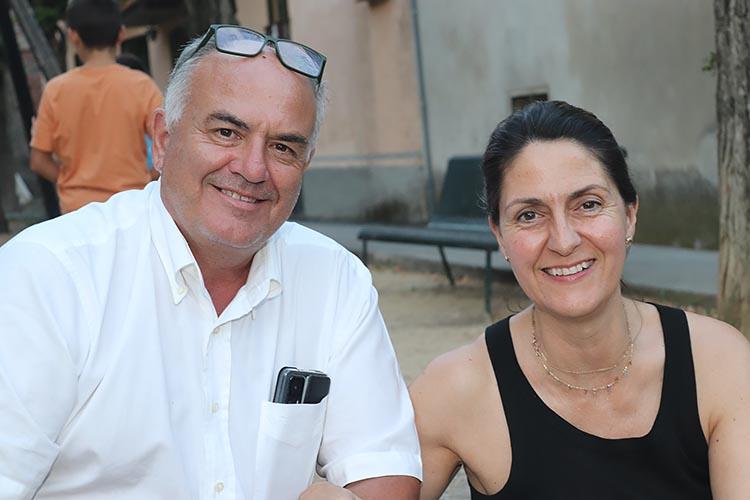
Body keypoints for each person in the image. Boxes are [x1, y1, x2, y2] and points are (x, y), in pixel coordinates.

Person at [0, 24, 421, 499]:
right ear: (163, 140)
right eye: (226, 132)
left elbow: (382, 468)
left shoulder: (335, 279)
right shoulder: (46, 277)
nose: (253, 168)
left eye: (283, 147)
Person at [410, 100, 750, 499]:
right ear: (499, 235)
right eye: (529, 215)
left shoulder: (718, 363)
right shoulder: (457, 389)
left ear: (630, 215)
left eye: (588, 205)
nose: (564, 240)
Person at [29, 0, 162, 213]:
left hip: (77, 211)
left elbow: (38, 161)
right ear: (121, 34)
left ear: (73, 36)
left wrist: (68, 180)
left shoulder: (56, 90)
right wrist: (147, 178)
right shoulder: (142, 86)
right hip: (131, 206)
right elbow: (170, 146)